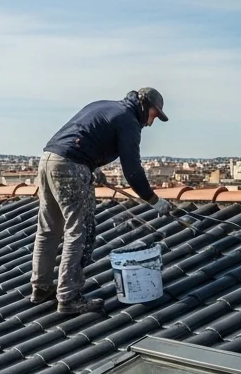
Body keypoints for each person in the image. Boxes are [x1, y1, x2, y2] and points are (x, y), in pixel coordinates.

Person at [32, 87, 171, 312]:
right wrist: (153, 200)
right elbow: (132, 170)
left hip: (48, 161)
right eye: (154, 115)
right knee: (80, 231)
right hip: (70, 166)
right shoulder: (129, 121)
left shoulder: (104, 106)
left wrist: (92, 167)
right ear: (144, 105)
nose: (150, 123)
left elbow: (83, 137)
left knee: (48, 229)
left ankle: (41, 288)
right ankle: (69, 297)